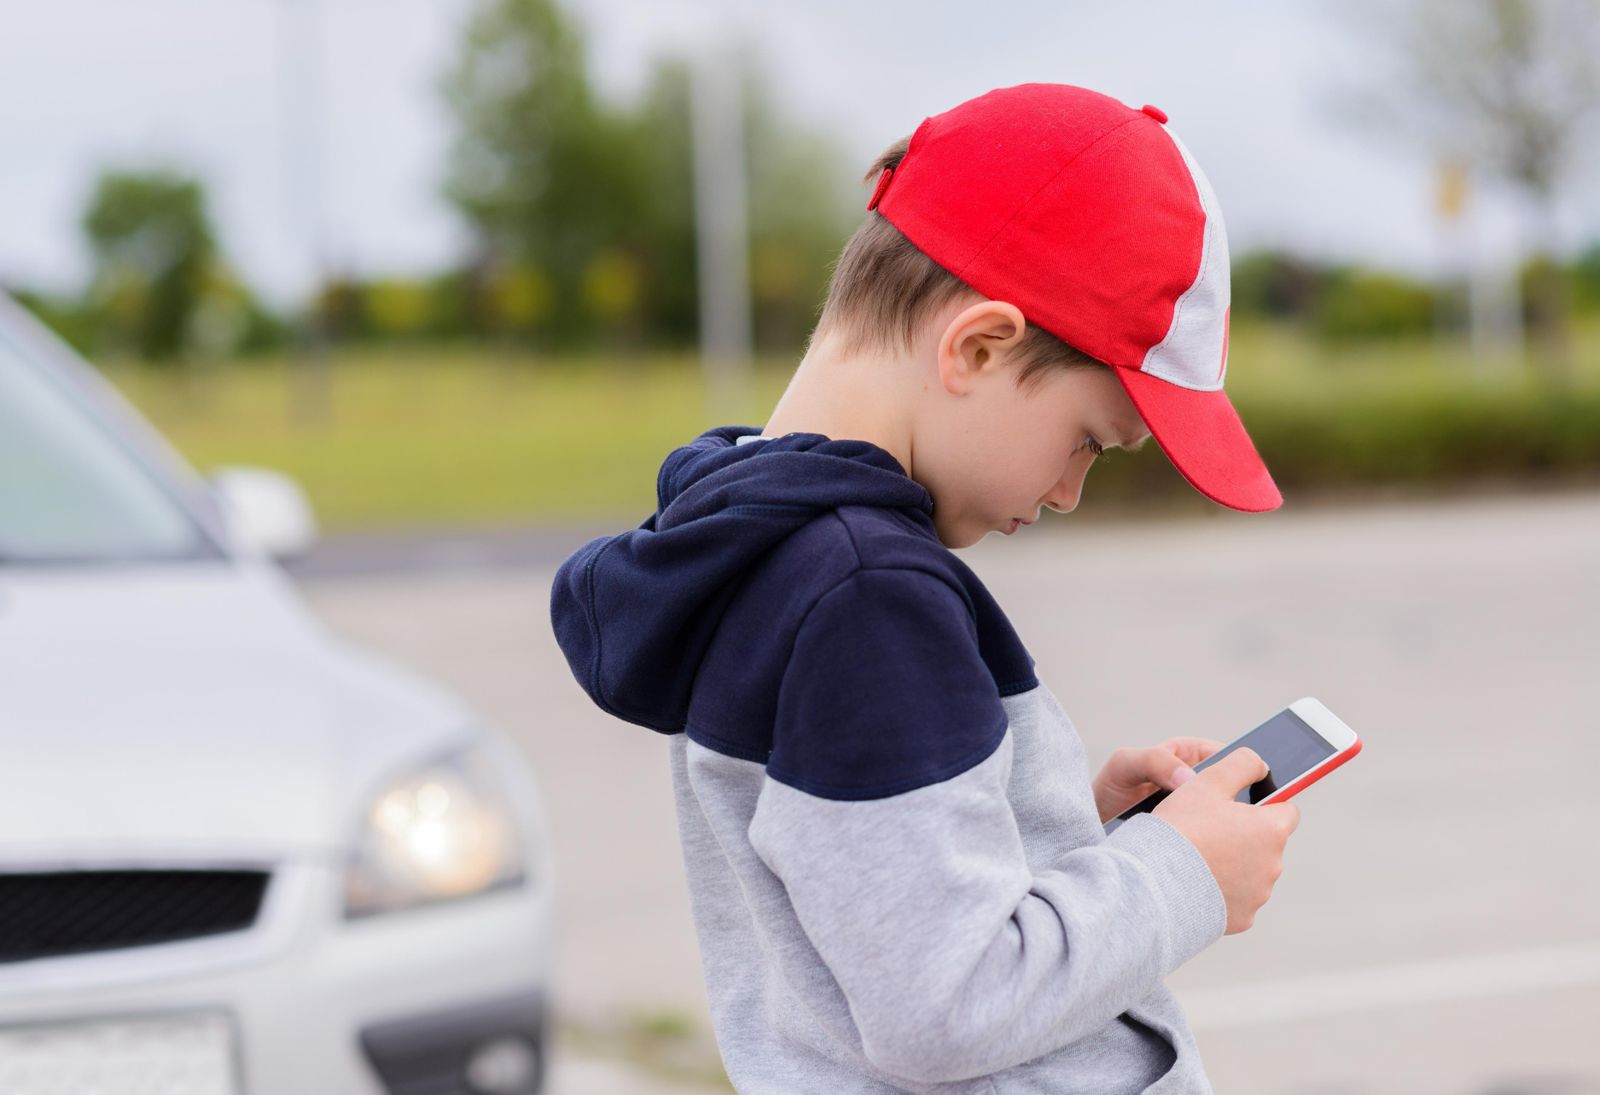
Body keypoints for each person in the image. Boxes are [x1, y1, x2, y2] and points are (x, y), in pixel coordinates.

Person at [549, 82, 1301, 1093]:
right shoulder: (868, 596)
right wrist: (1180, 876)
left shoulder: (754, 542)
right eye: (1087, 440)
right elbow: (943, 1009)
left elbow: (870, 916)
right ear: (977, 347)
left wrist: (1066, 832)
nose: (1071, 491)